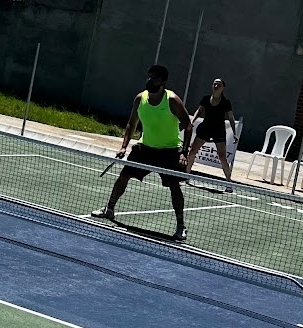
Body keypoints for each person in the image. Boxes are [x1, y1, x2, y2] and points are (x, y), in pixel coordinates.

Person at [92, 65, 193, 241]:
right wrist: (124, 146)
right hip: (145, 148)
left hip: (169, 151)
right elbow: (131, 123)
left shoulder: (172, 100)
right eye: (149, 76)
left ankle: (180, 226)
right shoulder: (140, 99)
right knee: (124, 176)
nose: (150, 80)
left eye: (154, 77)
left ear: (163, 82)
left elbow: (188, 125)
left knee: (174, 186)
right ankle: (109, 209)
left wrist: (184, 152)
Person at [184, 78, 238, 189]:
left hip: (219, 130)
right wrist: (192, 122)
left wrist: (234, 133)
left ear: (223, 88)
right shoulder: (205, 99)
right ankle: (186, 175)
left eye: (218, 85)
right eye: (214, 84)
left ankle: (229, 184)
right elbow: (199, 111)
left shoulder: (225, 103)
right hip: (205, 128)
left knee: (222, 157)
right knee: (192, 151)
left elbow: (231, 118)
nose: (216, 86)